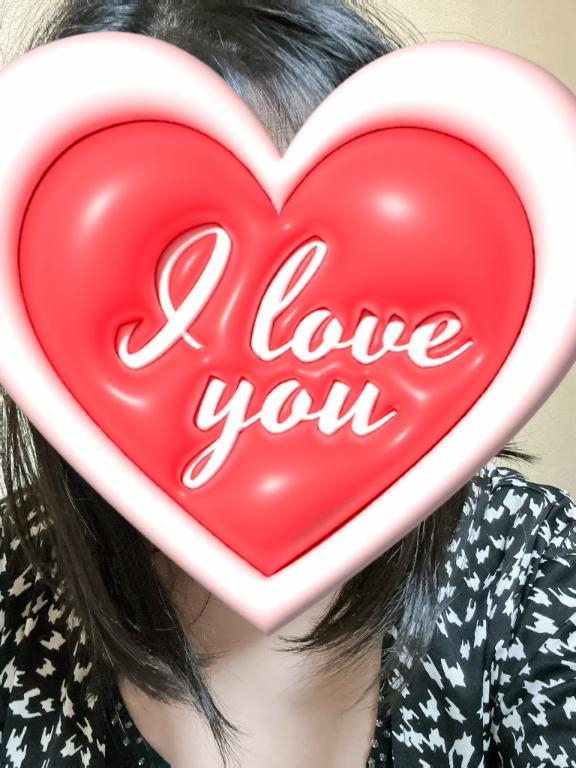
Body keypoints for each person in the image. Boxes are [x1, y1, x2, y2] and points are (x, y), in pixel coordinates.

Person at [1, 1, 575, 767]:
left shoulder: (534, 564)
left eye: (330, 289)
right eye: (189, 284)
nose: (260, 350)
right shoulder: (13, 581)